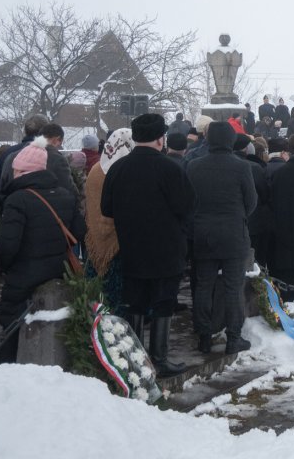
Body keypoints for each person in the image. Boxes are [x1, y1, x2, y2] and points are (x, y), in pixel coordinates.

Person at [100, 113, 196, 376]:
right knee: (164, 300)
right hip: (167, 248)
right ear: (160, 139)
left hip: (131, 247)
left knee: (135, 302)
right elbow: (187, 208)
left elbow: (106, 209)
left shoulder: (118, 169)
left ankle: (135, 358)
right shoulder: (171, 168)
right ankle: (160, 359)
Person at [0, 137, 85, 364]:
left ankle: (6, 369)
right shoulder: (65, 195)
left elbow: (8, 245)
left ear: (23, 171)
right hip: (59, 269)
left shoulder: (18, 200)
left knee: (12, 324)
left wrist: (3, 266)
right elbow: (79, 232)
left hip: (24, 274)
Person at [186, 121, 257, 355]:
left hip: (203, 234)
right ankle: (233, 338)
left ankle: (204, 337)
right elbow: (251, 202)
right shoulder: (241, 167)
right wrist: (236, 217)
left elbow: (190, 202)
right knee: (233, 288)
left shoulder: (193, 166)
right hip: (234, 234)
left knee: (203, 286)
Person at [84, 128, 133, 312]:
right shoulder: (125, 170)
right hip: (119, 243)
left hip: (95, 238)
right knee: (117, 295)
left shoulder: (96, 169)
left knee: (97, 294)